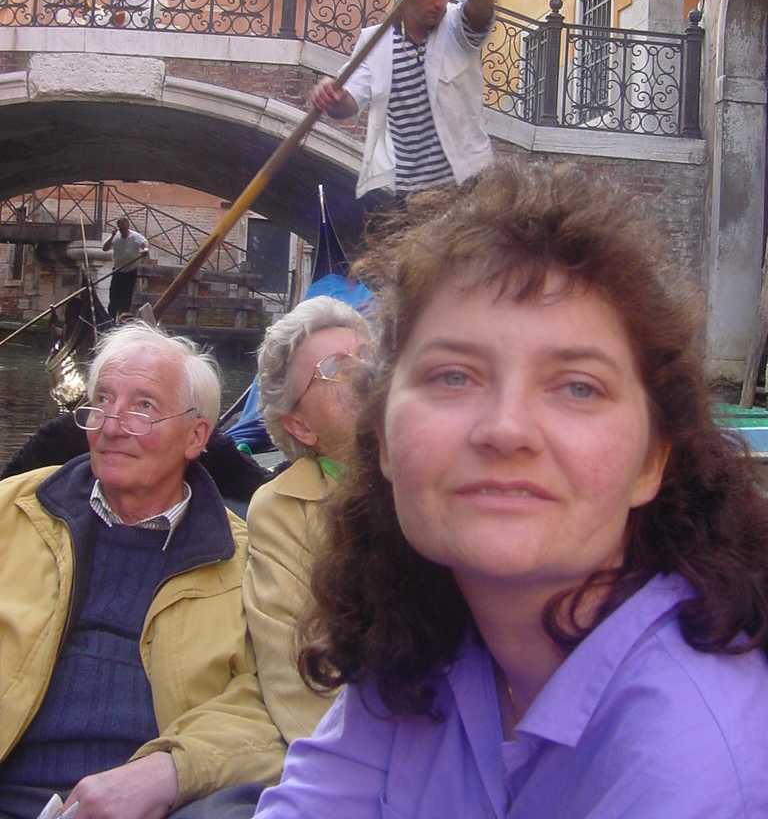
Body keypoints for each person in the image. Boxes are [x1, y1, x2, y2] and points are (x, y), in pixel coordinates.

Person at [256, 162, 768, 818]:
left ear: (651, 463)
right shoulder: (425, 646)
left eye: (578, 387)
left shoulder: (696, 764)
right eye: (453, 377)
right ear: (382, 439)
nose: (506, 429)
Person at [0, 322, 284, 819]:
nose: (111, 426)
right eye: (103, 401)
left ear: (196, 436)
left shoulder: (251, 562)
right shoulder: (11, 511)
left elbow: (275, 709)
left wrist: (172, 770)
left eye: (143, 406)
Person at [243, 296, 371, 746]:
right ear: (299, 426)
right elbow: (303, 685)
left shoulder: (448, 470)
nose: (365, 372)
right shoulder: (281, 511)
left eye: (369, 355)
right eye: (336, 368)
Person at [309, 0, 495, 202]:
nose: (441, 2)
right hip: (412, 195)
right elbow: (346, 105)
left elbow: (484, 7)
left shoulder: (458, 27)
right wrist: (332, 97)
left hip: (469, 187)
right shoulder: (375, 43)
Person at [102, 216, 148, 319]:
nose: (122, 231)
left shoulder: (135, 237)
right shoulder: (116, 237)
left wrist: (145, 250)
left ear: (128, 227)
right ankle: (111, 319)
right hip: (118, 270)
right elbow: (104, 248)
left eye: (124, 229)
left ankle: (123, 318)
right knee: (113, 297)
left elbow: (144, 244)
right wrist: (112, 236)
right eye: (120, 229)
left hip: (130, 272)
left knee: (126, 298)